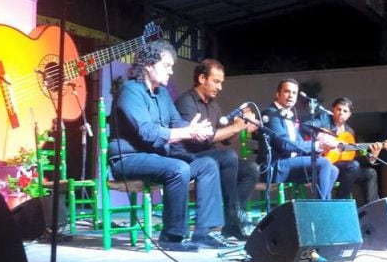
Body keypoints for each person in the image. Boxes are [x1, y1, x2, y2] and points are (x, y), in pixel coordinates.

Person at [107, 40, 231, 251]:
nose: (171, 71)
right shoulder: (130, 91)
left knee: (208, 164)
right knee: (178, 168)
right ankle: (172, 237)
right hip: (127, 159)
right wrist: (186, 132)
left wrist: (196, 130)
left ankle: (204, 232)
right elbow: (146, 132)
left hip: (156, 158)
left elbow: (176, 122)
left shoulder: (162, 94)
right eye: (166, 65)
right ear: (148, 65)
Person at [174, 58, 260, 240]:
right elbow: (204, 137)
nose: (220, 87)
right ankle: (233, 216)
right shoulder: (185, 101)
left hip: (213, 157)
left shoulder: (214, 106)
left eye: (221, 83)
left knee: (251, 169)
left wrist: (241, 125)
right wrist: (235, 127)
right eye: (216, 81)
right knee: (228, 156)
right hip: (189, 156)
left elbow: (227, 140)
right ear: (202, 78)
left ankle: (231, 223)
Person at [258, 78, 339, 200]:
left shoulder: (290, 116)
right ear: (277, 94)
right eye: (287, 91)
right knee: (324, 163)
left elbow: (299, 144)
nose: (291, 96)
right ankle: (322, 207)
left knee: (333, 170)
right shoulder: (270, 114)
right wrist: (316, 145)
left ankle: (322, 207)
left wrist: (322, 146)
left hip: (291, 165)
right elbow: (284, 145)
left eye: (294, 93)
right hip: (276, 166)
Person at [313, 97, 385, 206]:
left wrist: (372, 157)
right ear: (333, 109)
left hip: (346, 169)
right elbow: (308, 127)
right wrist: (321, 136)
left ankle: (372, 209)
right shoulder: (325, 120)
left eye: (345, 111)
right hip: (326, 165)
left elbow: (350, 156)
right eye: (339, 109)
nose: (341, 113)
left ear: (349, 114)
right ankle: (341, 203)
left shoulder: (350, 132)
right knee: (353, 165)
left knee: (371, 173)